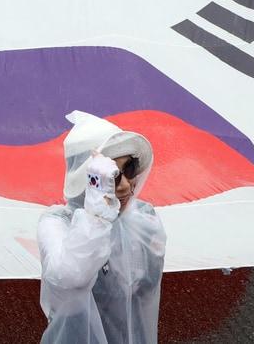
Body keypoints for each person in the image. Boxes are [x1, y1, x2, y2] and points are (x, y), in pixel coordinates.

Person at [37, 110, 163, 344]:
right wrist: (97, 217)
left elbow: (143, 297)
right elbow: (69, 281)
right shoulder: (56, 223)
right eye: (111, 177)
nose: (125, 186)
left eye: (129, 170)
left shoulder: (143, 219)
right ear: (87, 179)